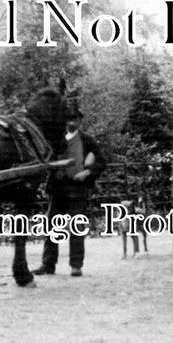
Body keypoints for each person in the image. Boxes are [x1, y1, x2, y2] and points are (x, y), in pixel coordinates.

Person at [33, 115, 106, 277]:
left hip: (77, 188)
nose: (72, 123)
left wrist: (87, 172)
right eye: (69, 120)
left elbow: (102, 162)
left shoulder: (88, 140)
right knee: (52, 225)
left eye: (76, 120)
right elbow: (46, 158)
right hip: (58, 188)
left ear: (80, 122)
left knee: (76, 226)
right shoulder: (55, 140)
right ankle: (48, 264)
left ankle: (76, 265)